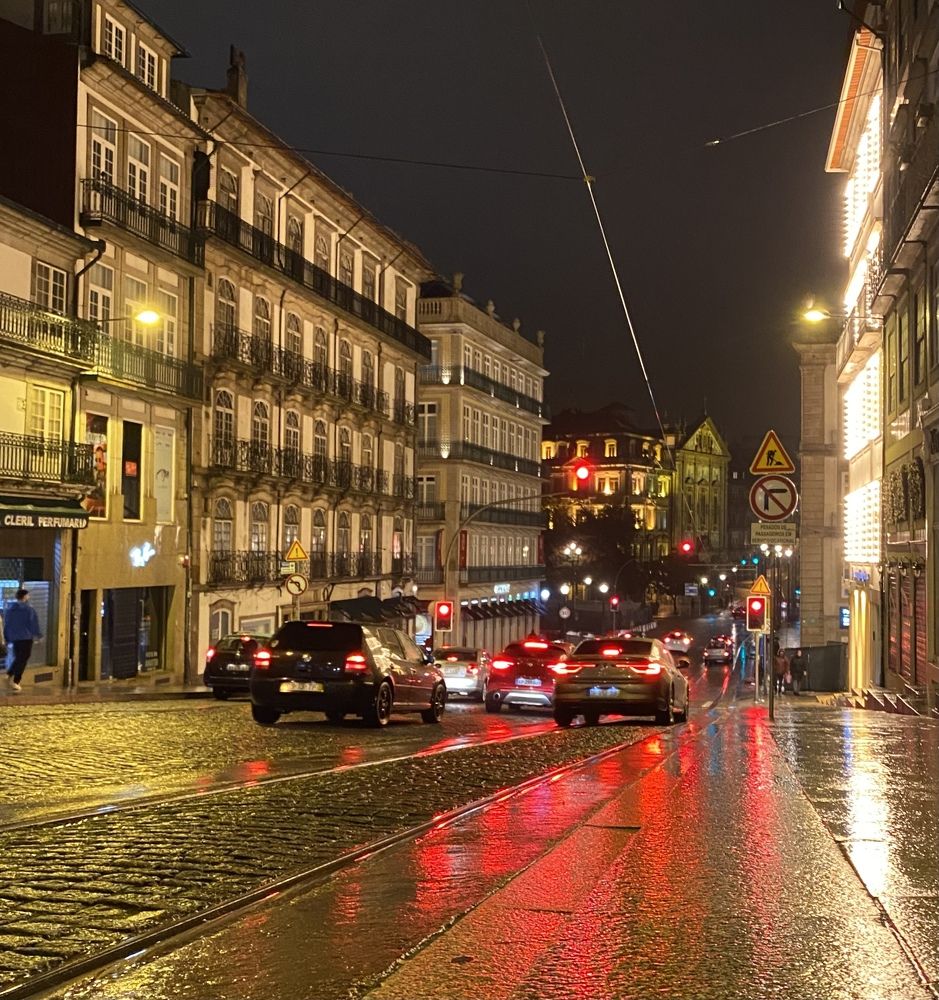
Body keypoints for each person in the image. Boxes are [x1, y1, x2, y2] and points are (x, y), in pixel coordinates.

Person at [4, 589, 42, 693]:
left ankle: (10, 673)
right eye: (28, 595)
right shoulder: (29, 610)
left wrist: (7, 637)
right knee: (23, 658)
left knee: (18, 657)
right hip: (26, 637)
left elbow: (7, 624)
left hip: (15, 638)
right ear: (24, 597)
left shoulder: (10, 609)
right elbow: (33, 624)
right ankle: (15, 681)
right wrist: (38, 635)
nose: (29, 597)